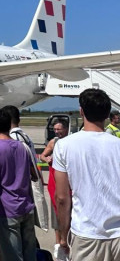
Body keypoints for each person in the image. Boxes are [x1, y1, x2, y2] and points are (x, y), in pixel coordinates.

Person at [54, 88, 120, 260]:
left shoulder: (64, 146)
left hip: (86, 233)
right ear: (107, 115)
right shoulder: (117, 144)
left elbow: (61, 198)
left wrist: (63, 235)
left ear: (81, 111)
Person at [0, 109, 37, 261]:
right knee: (30, 254)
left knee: (12, 255)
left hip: (7, 210)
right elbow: (33, 175)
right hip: (26, 206)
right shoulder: (22, 147)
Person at [39, 120, 67, 258]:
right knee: (56, 212)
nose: (56, 132)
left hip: (67, 181)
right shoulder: (53, 142)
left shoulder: (70, 141)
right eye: (55, 129)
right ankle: (58, 243)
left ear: (66, 129)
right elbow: (42, 155)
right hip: (54, 181)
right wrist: (47, 159)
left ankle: (66, 240)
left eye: (59, 129)